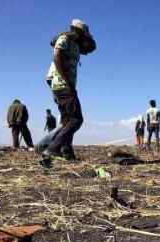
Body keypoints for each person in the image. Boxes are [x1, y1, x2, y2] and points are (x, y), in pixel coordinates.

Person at [42, 19, 96, 165]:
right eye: (83, 34)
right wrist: (65, 80)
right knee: (76, 119)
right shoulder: (64, 38)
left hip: (67, 85)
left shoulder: (77, 45)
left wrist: (88, 37)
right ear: (77, 31)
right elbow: (57, 56)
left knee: (67, 121)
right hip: (63, 84)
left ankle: (67, 151)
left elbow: (92, 48)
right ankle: (52, 149)